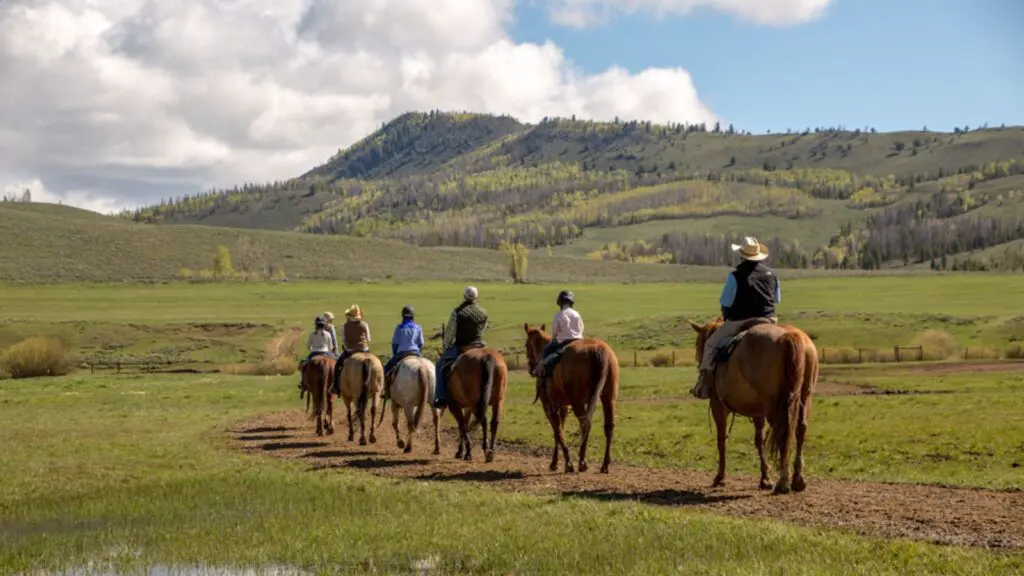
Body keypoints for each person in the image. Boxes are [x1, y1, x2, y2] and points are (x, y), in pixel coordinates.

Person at [691, 236, 781, 400]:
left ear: (742, 255)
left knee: (711, 344)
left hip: (741, 321)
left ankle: (704, 384)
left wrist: (727, 315)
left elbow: (725, 302)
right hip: (769, 320)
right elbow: (776, 299)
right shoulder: (771, 275)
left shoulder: (735, 276)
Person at [434, 286, 488, 408]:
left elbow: (450, 333)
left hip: (462, 347)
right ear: (476, 297)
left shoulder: (457, 312)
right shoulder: (484, 313)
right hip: (480, 346)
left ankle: (441, 397)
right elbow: (483, 331)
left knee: (439, 366)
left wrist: (446, 346)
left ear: (464, 296)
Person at [531, 290, 584, 378]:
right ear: (571, 303)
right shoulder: (577, 314)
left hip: (564, 341)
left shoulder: (559, 315)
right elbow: (581, 328)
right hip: (579, 340)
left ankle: (540, 368)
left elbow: (555, 332)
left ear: (560, 303)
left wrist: (556, 337)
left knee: (546, 350)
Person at [382, 305, 424, 398]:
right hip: (415, 353)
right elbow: (421, 343)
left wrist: (395, 354)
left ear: (403, 316)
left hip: (401, 354)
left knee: (386, 368)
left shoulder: (399, 328)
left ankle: (386, 391)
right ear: (413, 316)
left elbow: (395, 344)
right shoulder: (418, 328)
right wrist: (419, 354)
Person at [331, 305, 371, 395]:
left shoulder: (344, 326)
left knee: (338, 366)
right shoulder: (364, 324)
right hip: (364, 349)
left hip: (350, 351)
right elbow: (369, 339)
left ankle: (336, 386)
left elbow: (344, 341)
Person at [298, 315, 335, 390]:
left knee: (303, 365)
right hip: (325, 352)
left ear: (316, 325)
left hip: (314, 353)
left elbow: (308, 346)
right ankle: (337, 383)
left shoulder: (312, 334)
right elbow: (330, 347)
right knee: (337, 364)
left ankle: (302, 383)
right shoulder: (327, 334)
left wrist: (313, 348)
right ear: (324, 325)